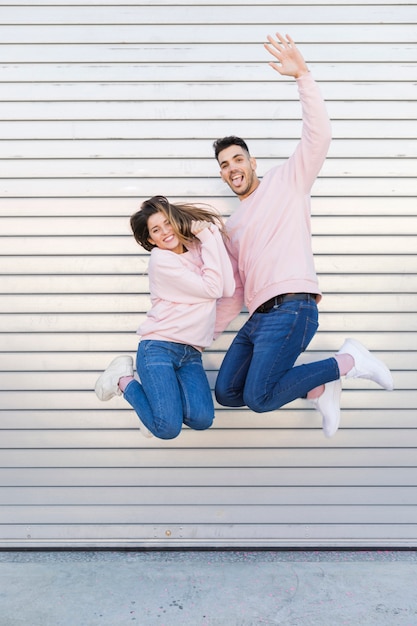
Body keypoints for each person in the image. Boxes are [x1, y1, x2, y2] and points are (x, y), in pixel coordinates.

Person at [212, 32, 393, 438]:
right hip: (257, 318)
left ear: (252, 162)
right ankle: (317, 386)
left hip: (293, 307)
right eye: (224, 165)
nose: (232, 168)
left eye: (238, 158)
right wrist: (198, 337)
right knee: (227, 391)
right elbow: (236, 289)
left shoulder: (286, 181)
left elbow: (319, 137)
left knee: (258, 398)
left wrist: (303, 77)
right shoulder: (234, 226)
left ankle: (347, 361)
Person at [95, 195, 235, 440]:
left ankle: (152, 408)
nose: (165, 232)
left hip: (191, 352)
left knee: (202, 419)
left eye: (167, 223)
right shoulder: (162, 260)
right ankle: (122, 379)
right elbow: (213, 289)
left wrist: (209, 236)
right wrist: (206, 236)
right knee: (167, 428)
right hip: (159, 347)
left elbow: (228, 288)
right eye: (156, 230)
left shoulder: (197, 249)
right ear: (151, 239)